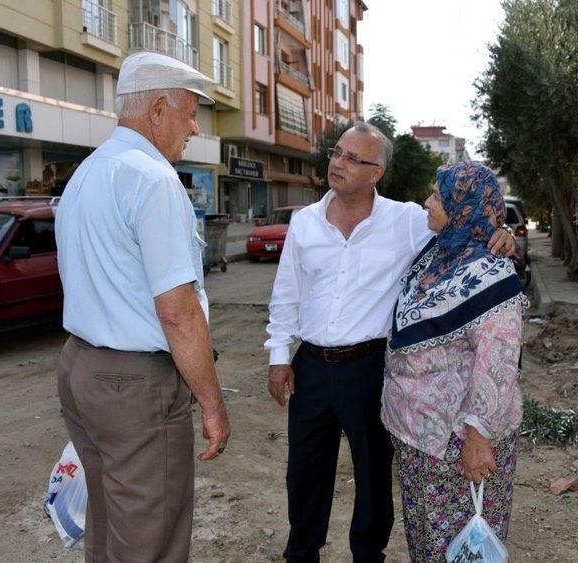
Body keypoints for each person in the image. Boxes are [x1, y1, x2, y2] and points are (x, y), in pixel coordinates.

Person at [265, 123, 515, 563]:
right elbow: (287, 294)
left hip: (369, 369)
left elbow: (463, 232)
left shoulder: (406, 222)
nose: (337, 164)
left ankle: (368, 554)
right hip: (312, 368)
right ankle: (301, 552)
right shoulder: (303, 223)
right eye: (336, 153)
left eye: (351, 158)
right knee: (304, 472)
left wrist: (503, 236)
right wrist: (278, 356)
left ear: (376, 171)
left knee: (373, 475)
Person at [55, 52, 231, 563]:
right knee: (151, 540)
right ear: (158, 109)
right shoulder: (151, 180)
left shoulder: (88, 173)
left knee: (110, 527)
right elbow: (178, 312)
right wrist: (214, 405)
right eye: (191, 112)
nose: (195, 127)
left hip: (82, 367)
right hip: (134, 386)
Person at [381, 161, 526, 562]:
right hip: (415, 439)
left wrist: (477, 439)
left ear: (462, 208)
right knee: (426, 540)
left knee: (464, 546)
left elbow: (498, 366)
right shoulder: (436, 253)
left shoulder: (493, 274)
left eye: (438, 197)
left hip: (458, 445)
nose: (426, 203)